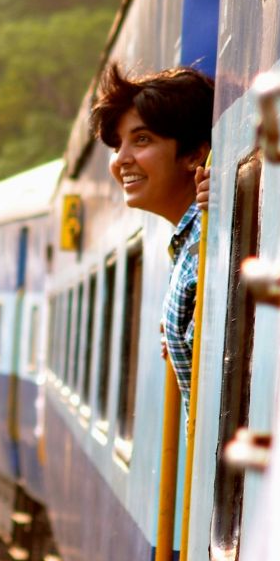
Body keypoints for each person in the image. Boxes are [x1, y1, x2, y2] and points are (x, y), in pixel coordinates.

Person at [88, 63, 214, 405]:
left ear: (194, 155)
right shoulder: (189, 242)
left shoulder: (211, 241)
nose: (121, 160)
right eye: (117, 146)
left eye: (141, 139)